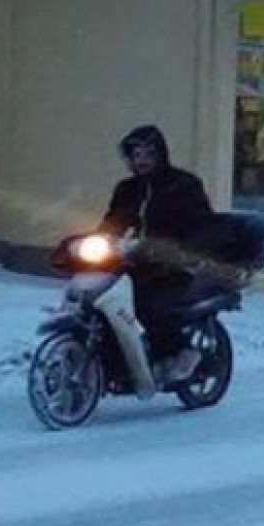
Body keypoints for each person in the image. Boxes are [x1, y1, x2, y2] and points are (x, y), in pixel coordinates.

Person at [98, 124, 215, 384]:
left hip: (174, 264)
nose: (141, 162)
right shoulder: (127, 189)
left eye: (148, 155)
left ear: (161, 155)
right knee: (104, 299)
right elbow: (113, 221)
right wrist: (100, 239)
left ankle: (181, 353)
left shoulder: (183, 185)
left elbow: (200, 224)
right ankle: (116, 357)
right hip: (138, 260)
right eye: (136, 155)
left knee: (152, 306)